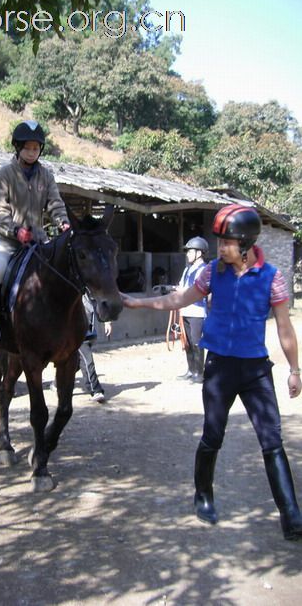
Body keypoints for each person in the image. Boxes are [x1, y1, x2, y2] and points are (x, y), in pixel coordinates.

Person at [121, 204, 302, 540]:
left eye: (227, 242)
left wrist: (294, 369)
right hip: (219, 368)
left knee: (272, 440)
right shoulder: (211, 273)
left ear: (246, 244)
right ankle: (203, 495)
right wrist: (137, 302)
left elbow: (284, 328)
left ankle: (290, 512)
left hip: (255, 371)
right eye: (219, 241)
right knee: (212, 435)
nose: (221, 247)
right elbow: (178, 300)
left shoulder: (272, 277)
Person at [0, 120, 70, 346]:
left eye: (36, 148)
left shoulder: (46, 176)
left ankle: (74, 324)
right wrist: (15, 230)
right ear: (18, 147)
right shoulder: (4, 173)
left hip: (37, 240)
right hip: (5, 240)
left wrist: (64, 223)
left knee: (64, 268)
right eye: (27, 148)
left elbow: (55, 203)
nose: (31, 152)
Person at [176, 236, 209, 384]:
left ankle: (199, 373)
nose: (188, 254)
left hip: (197, 312)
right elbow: (182, 285)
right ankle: (191, 370)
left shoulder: (204, 270)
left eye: (190, 251)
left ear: (199, 253)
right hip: (186, 310)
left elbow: (195, 289)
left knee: (196, 342)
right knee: (187, 342)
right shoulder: (187, 269)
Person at [79, 294, 112, 403]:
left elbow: (99, 303)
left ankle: (57, 383)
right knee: (88, 360)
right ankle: (95, 390)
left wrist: (107, 322)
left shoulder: (89, 291)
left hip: (89, 333)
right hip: (76, 334)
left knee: (76, 363)